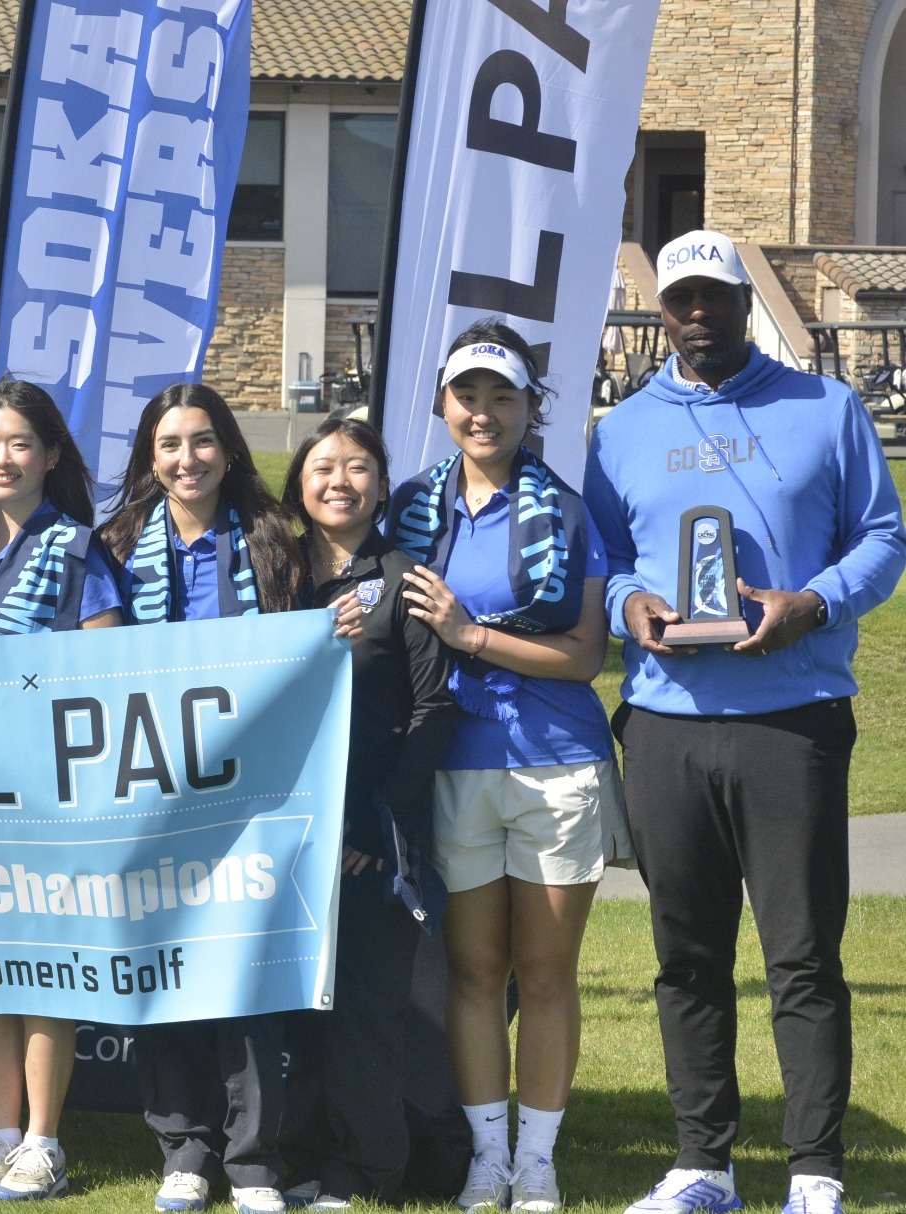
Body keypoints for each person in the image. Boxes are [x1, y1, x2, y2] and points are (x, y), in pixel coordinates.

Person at [584, 229, 906, 1214]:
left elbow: (884, 537)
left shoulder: (827, 407)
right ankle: (701, 1164)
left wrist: (808, 603)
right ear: (663, 307)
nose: (692, 312)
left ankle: (812, 1169)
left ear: (739, 304)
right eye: (677, 297)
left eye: (709, 296)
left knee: (800, 952)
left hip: (790, 717)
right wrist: (627, 606)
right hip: (664, 722)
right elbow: (604, 557)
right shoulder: (621, 428)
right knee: (684, 954)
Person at [385, 323, 620, 1214]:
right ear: (444, 403)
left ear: (531, 408)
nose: (482, 414)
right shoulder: (414, 507)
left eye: (501, 397)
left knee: (547, 970)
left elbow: (585, 655)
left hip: (558, 764)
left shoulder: (568, 509)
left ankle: (539, 1161)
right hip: (452, 764)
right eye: (467, 396)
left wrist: (471, 636)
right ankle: (488, 1157)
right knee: (474, 970)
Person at [93, 383, 314, 1214]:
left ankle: (254, 1160)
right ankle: (184, 1148)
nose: (187, 460)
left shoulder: (272, 542)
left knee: (245, 971)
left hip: (252, 794)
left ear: (227, 448)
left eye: (202, 441)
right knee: (166, 968)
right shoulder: (112, 545)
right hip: (149, 793)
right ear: (150, 457)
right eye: (169, 444)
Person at [0, 380, 123, 1202]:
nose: (0, 458)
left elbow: (108, 671)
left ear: (51, 454)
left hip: (51, 785)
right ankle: (2, 1134)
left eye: (18, 443)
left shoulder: (79, 548)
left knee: (44, 965)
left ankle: (46, 1142)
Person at [278, 416, 457, 1209]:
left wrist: (374, 824)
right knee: (293, 1013)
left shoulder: (407, 579)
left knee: (363, 1010)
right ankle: (298, 1158)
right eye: (323, 466)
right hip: (282, 833)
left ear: (384, 486)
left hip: (369, 837)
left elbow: (431, 711)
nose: (339, 481)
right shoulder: (273, 580)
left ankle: (365, 1168)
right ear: (299, 483)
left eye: (358, 467)